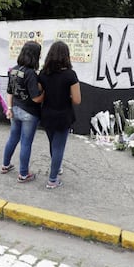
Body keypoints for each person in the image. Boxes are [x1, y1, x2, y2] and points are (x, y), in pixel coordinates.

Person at [38, 41, 81, 189]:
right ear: (66, 56)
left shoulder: (43, 74)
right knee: (59, 148)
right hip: (63, 116)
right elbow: (77, 99)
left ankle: (56, 168)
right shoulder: (70, 75)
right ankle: (52, 179)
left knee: (53, 144)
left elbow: (40, 95)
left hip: (47, 114)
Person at [1, 41, 44, 182]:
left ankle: (5, 165)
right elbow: (36, 98)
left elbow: (9, 92)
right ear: (35, 56)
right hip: (29, 113)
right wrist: (45, 92)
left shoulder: (13, 70)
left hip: (15, 110)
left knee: (13, 138)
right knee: (26, 143)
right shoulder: (30, 73)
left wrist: (9, 108)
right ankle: (24, 174)